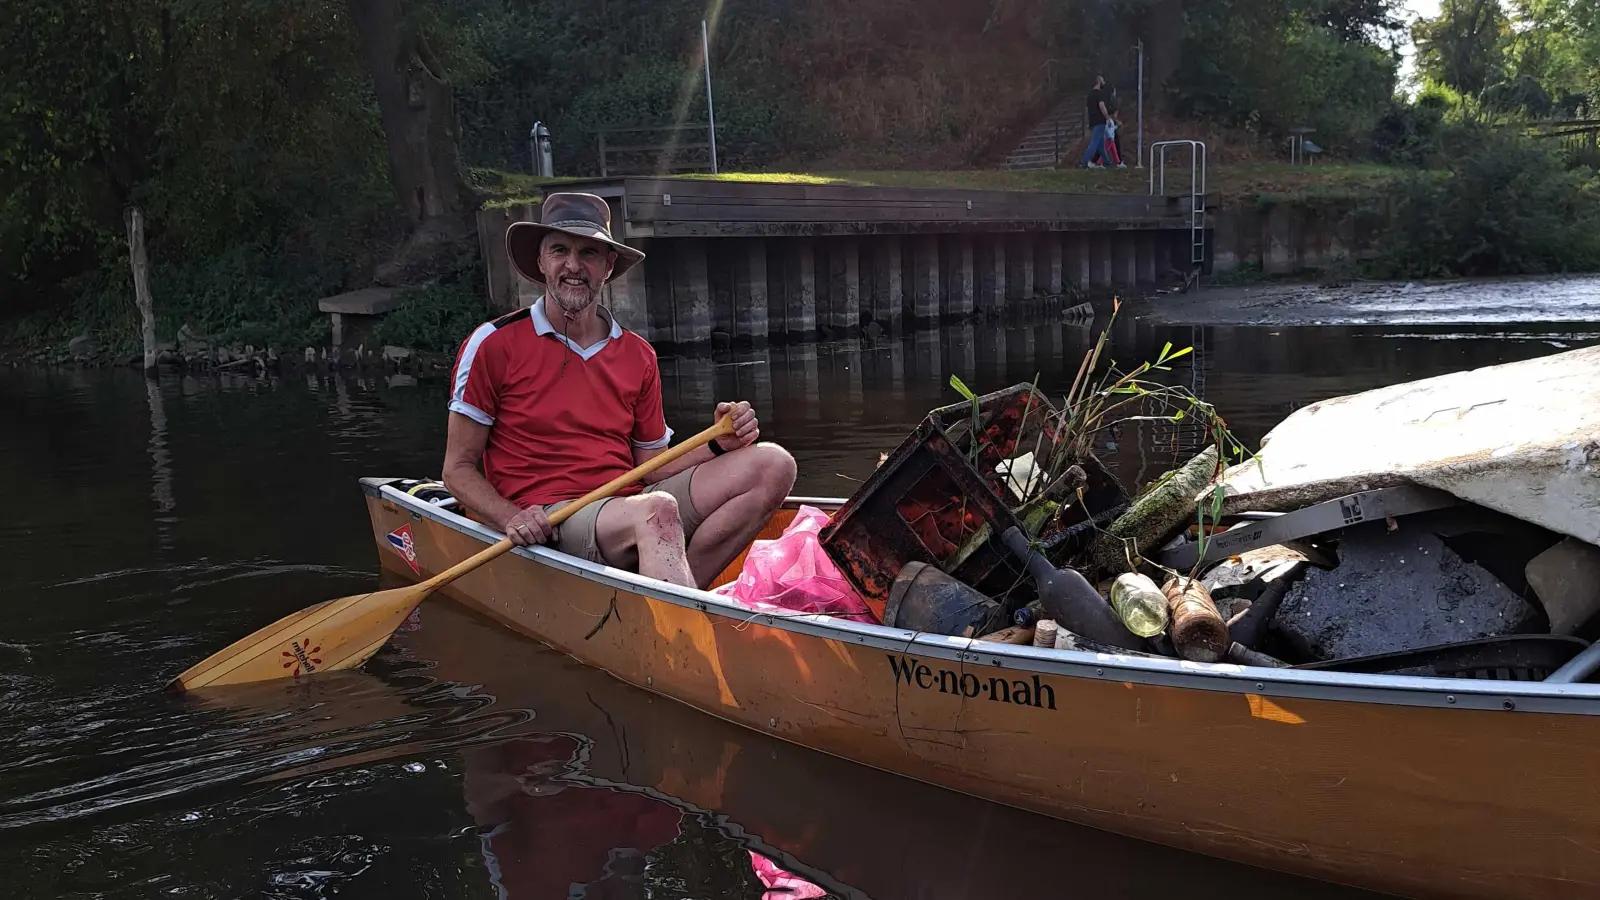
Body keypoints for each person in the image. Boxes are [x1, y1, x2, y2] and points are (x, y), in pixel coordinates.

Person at [442, 192, 798, 590]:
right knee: (657, 511)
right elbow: (456, 470)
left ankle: (676, 601)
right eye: (559, 250)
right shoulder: (492, 344)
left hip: (629, 503)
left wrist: (719, 443)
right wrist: (510, 517)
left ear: (608, 266)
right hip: (553, 516)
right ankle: (678, 631)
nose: (573, 265)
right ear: (541, 262)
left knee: (774, 464)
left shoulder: (637, 354)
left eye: (589, 253)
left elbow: (653, 465)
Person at [1080, 75, 1111, 168]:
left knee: (1101, 145)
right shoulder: (1099, 94)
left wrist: (1087, 122)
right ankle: (1084, 162)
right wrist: (1107, 117)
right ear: (1098, 81)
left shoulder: (1089, 95)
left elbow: (1086, 110)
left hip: (1093, 121)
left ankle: (1107, 162)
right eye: (1102, 80)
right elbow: (1102, 106)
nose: (1104, 82)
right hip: (1100, 120)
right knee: (1094, 143)